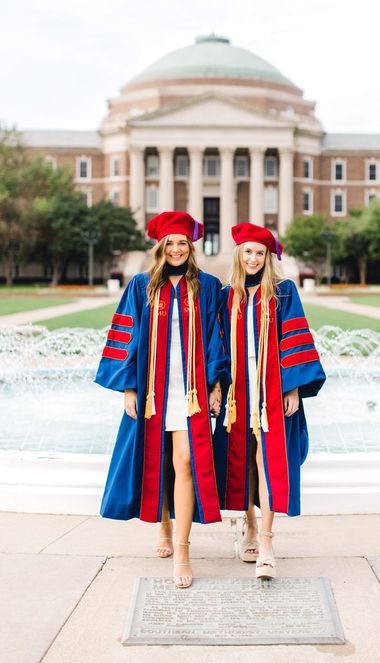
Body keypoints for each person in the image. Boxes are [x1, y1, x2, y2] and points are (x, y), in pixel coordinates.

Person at [95, 211, 227, 589]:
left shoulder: (209, 286)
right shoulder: (141, 286)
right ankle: (164, 530)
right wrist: (129, 388)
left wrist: (217, 385)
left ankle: (182, 552)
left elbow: (218, 339)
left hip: (191, 391)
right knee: (161, 461)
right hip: (154, 388)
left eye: (183, 242)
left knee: (185, 462)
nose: (176, 249)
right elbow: (126, 337)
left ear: (191, 247)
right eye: (170, 243)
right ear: (160, 247)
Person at [213, 222, 326, 579]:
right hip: (237, 391)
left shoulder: (283, 292)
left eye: (260, 252)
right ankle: (247, 525)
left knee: (268, 460)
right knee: (242, 459)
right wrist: (216, 387)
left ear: (268, 257)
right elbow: (215, 346)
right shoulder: (225, 295)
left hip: (272, 390)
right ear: (238, 254)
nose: (253, 258)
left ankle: (266, 541)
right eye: (247, 251)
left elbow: (294, 339)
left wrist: (293, 387)